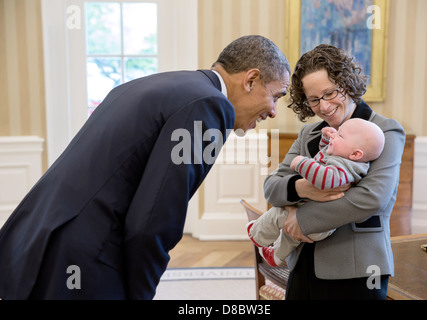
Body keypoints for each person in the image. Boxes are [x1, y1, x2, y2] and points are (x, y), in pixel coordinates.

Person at [0, 35, 290, 300]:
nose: (274, 111)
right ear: (251, 79)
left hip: (36, 236)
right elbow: (154, 220)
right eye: (276, 96)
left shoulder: (154, 84)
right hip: (83, 256)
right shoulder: (210, 105)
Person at [264, 44, 405, 300]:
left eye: (330, 93)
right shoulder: (309, 133)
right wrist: (300, 188)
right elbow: (271, 186)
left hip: (358, 269)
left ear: (347, 84)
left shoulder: (385, 131)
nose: (324, 106)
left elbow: (371, 198)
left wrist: (302, 218)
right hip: (302, 265)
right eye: (314, 99)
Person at [247, 118, 385, 267]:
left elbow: (325, 178)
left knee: (277, 214)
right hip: (317, 224)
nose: (334, 135)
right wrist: (327, 140)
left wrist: (301, 163)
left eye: (340, 136)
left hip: (317, 222)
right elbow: (324, 155)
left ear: (356, 154)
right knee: (290, 236)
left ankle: (257, 235)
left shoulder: (345, 167)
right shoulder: (345, 156)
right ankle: (276, 255)